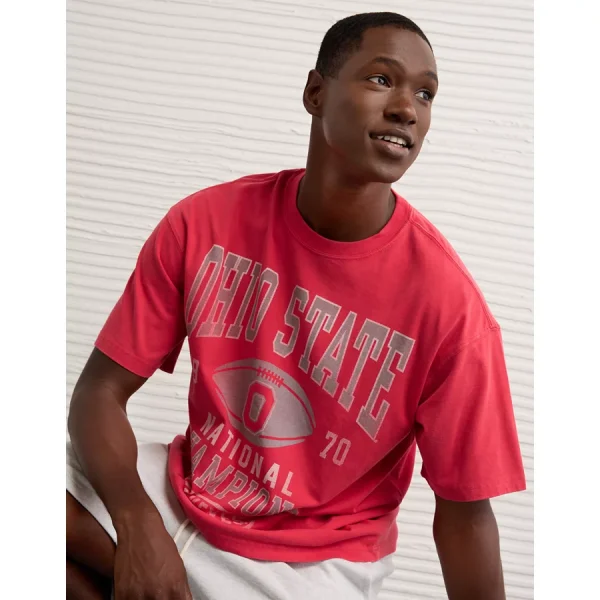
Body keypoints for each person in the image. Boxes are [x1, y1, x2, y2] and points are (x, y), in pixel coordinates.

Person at [66, 11, 526, 600]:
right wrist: (137, 527)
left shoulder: (450, 310)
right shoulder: (203, 223)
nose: (407, 109)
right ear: (315, 92)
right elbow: (100, 392)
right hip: (185, 490)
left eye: (425, 94)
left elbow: (465, 514)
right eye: (382, 79)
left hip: (315, 560)